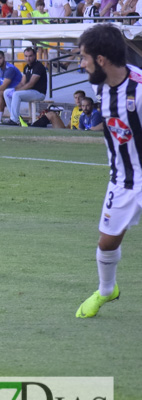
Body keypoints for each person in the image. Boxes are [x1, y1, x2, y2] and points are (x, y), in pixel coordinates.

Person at [74, 23, 142, 317]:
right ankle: (106, 290)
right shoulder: (97, 85)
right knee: (107, 241)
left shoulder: (138, 90)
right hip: (123, 180)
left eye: (83, 57)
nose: (81, 63)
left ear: (100, 60)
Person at [1, 47, 47, 125]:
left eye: (30, 56)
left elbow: (30, 84)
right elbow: (22, 83)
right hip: (29, 92)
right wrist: (14, 89)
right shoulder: (26, 67)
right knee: (6, 92)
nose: (28, 58)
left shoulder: (38, 66)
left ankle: (14, 120)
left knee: (16, 94)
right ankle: (16, 117)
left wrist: (16, 91)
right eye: (26, 56)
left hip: (39, 93)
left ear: (35, 56)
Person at [0, 51, 23, 124]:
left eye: (0, 58)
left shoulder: (10, 69)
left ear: (4, 58)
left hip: (16, 91)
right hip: (6, 92)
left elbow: (3, 87)